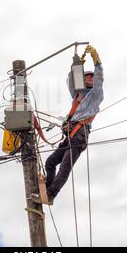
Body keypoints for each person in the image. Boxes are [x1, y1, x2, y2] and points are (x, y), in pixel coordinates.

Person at [43, 45, 104, 205]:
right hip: (70, 135)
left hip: (80, 134)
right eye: (87, 76)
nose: (90, 78)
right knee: (50, 162)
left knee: (64, 167)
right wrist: (77, 65)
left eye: (91, 77)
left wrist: (97, 62)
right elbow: (70, 81)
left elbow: (99, 81)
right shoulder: (78, 94)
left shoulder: (96, 94)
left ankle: (51, 195)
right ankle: (47, 187)